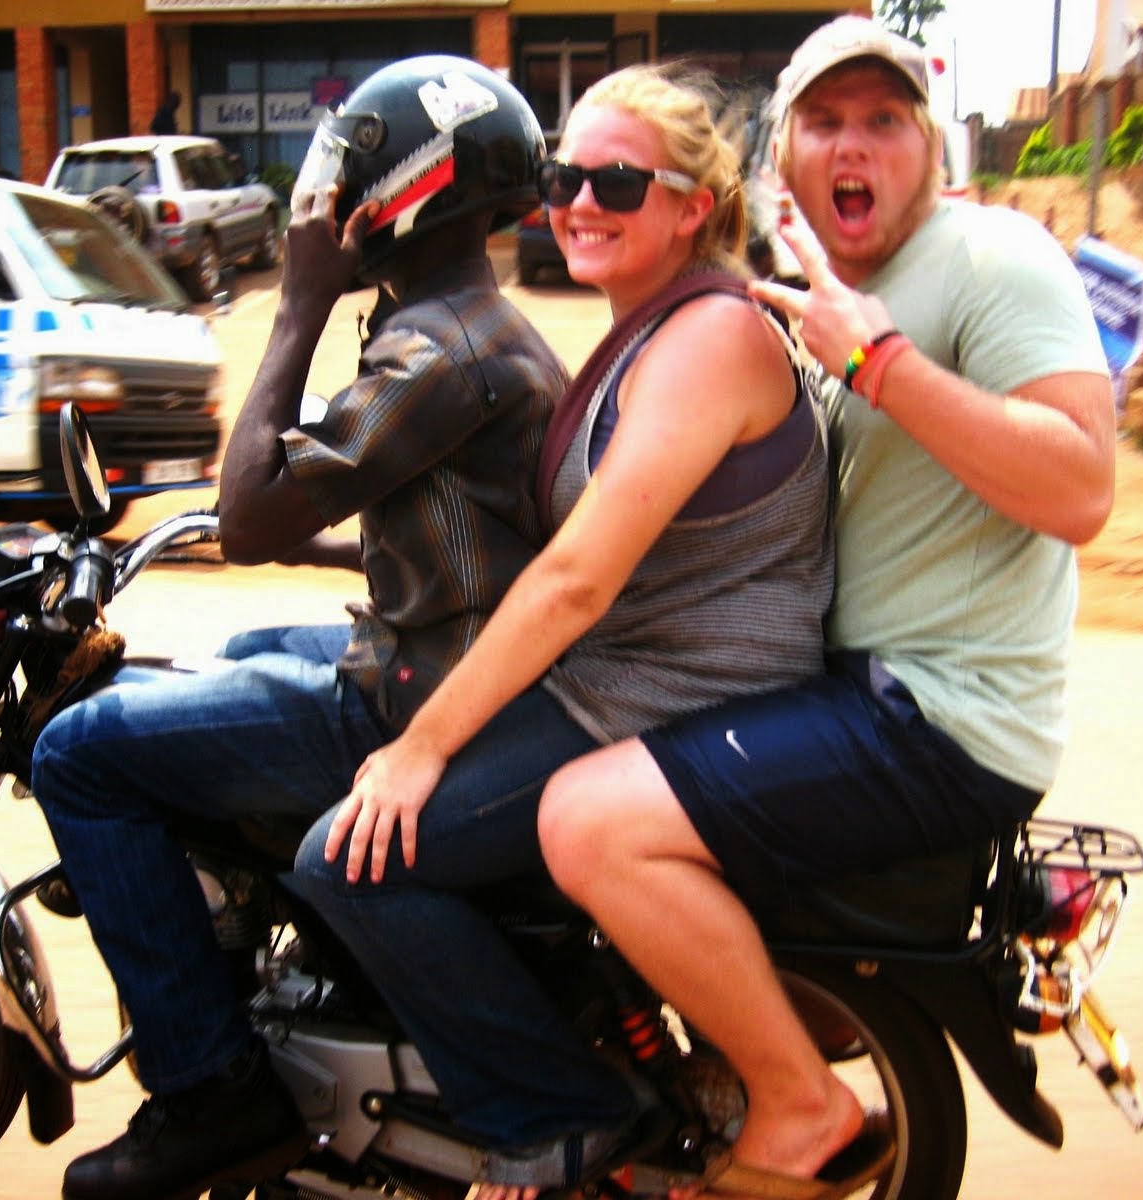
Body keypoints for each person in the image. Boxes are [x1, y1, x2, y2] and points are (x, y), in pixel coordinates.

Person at [534, 14, 1117, 1198]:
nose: (855, 147)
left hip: (938, 718)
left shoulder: (991, 260)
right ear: (785, 156)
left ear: (931, 151)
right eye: (826, 121)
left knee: (586, 821)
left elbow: (1081, 488)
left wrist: (881, 363)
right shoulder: (825, 289)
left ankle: (797, 1105)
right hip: (857, 690)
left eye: (885, 122)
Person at [29, 56, 566, 1200]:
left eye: (347, 183)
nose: (326, 208)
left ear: (410, 191)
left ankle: (210, 1084)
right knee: (229, 655)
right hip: (443, 652)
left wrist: (296, 302)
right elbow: (434, 523)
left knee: (77, 756)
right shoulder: (472, 325)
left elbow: (251, 514)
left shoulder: (438, 349)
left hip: (425, 696)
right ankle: (251, 952)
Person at [292, 62, 833, 1196]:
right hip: (627, 677)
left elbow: (579, 580)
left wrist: (421, 747)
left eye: (618, 182)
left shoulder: (708, 340)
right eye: (562, 175)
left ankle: (558, 1113)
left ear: (694, 204)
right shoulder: (647, 327)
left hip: (665, 696)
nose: (580, 201)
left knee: (346, 862)